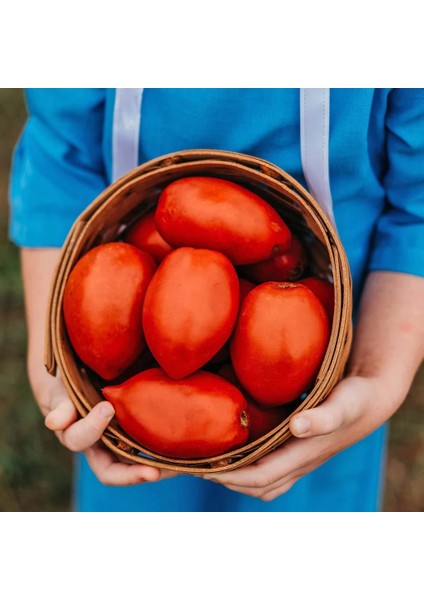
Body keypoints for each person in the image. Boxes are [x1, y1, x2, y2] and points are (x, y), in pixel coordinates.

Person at [9, 88, 424, 512]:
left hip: (341, 349)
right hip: (149, 413)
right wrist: (57, 371)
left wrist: (377, 376)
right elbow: (59, 158)